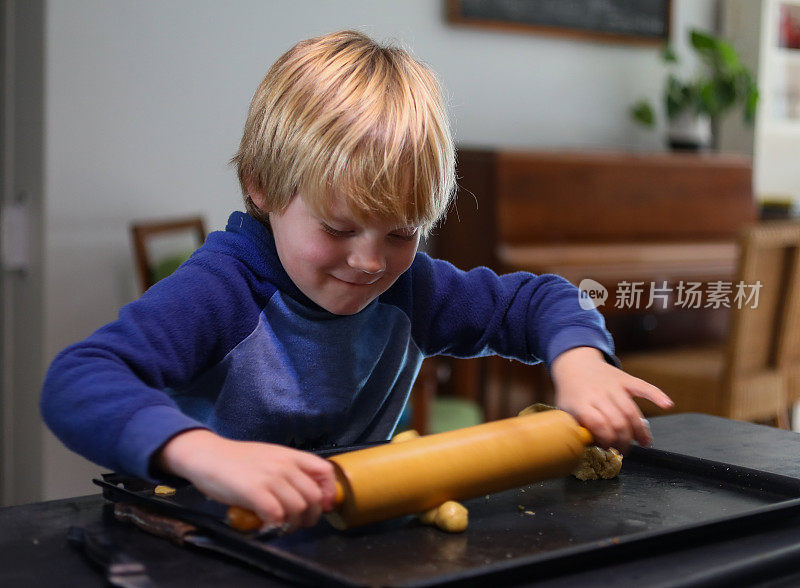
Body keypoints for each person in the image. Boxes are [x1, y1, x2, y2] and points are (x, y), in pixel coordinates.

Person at [41, 30, 672, 533]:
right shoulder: (223, 291)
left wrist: (581, 360)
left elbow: (538, 300)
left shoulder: (411, 288)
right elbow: (80, 379)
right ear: (263, 187)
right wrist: (200, 452)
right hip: (207, 540)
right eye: (339, 230)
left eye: (400, 234)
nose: (370, 263)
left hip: (340, 535)